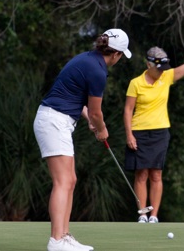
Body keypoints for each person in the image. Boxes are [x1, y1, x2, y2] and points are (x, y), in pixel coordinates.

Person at [34, 28, 132, 251]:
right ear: (116, 54)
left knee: (71, 180)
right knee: (63, 182)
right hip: (54, 121)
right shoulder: (98, 71)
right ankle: (56, 241)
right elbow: (97, 113)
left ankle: (64, 236)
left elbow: (76, 99)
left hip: (56, 120)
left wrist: (89, 118)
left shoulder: (87, 59)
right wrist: (101, 128)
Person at [123, 38, 184, 223]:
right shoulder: (136, 83)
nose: (161, 72)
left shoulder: (166, 77)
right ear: (148, 64)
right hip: (139, 131)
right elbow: (128, 110)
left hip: (160, 132)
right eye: (158, 68)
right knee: (141, 173)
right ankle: (142, 214)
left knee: (156, 174)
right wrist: (129, 134)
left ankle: (154, 216)